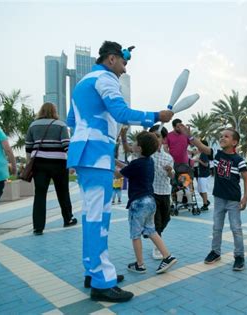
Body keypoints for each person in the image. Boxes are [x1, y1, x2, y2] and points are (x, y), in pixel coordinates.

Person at [67, 40, 173, 302]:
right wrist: (156, 116)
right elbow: (121, 112)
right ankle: (102, 282)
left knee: (91, 216)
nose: (124, 70)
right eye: (124, 63)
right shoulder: (105, 79)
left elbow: (71, 120)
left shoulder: (83, 83)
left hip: (85, 153)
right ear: (112, 59)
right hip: (97, 155)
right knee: (98, 219)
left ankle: (95, 272)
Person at [180, 126, 247, 271]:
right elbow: (202, 147)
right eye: (221, 136)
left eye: (226, 136)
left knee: (236, 229)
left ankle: (239, 256)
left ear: (234, 142)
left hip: (233, 200)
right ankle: (215, 252)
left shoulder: (239, 160)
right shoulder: (217, 155)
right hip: (219, 198)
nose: (222, 138)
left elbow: (246, 179)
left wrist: (245, 198)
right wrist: (191, 137)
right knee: (216, 227)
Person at [117, 131, 177, 274]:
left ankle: (140, 264)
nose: (133, 145)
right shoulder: (149, 161)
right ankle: (167, 256)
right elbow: (127, 167)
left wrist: (109, 165)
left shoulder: (136, 163)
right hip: (150, 201)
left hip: (138, 203)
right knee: (151, 230)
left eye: (136, 143)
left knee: (135, 234)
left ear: (140, 148)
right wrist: (115, 162)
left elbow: (119, 173)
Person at [25, 102, 77, 236]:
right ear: (54, 111)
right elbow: (66, 145)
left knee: (40, 194)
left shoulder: (33, 125)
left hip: (39, 164)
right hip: (58, 164)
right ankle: (68, 219)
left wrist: (29, 164)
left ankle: (38, 227)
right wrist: (71, 164)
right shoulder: (60, 125)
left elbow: (28, 148)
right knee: (63, 192)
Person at [148, 124, 175, 260]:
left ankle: (153, 234)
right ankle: (157, 247)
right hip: (151, 193)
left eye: (157, 136)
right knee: (157, 221)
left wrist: (170, 171)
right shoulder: (147, 155)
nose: (155, 139)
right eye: (152, 137)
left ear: (164, 139)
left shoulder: (168, 157)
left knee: (166, 219)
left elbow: (172, 176)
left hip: (165, 192)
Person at [195, 139, 211, 211]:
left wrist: (199, 161)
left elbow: (206, 164)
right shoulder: (202, 153)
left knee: (203, 190)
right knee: (199, 190)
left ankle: (205, 205)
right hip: (201, 175)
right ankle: (206, 201)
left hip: (204, 175)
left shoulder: (204, 154)